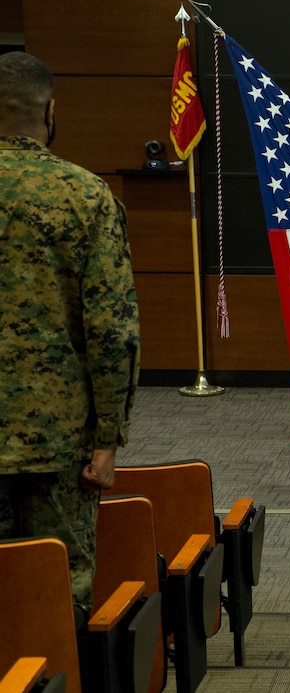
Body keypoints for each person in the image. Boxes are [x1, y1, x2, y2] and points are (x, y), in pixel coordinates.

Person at [0, 51, 140, 611]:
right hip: (56, 442)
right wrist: (108, 438)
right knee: (57, 585)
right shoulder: (84, 196)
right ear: (51, 112)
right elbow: (113, 331)